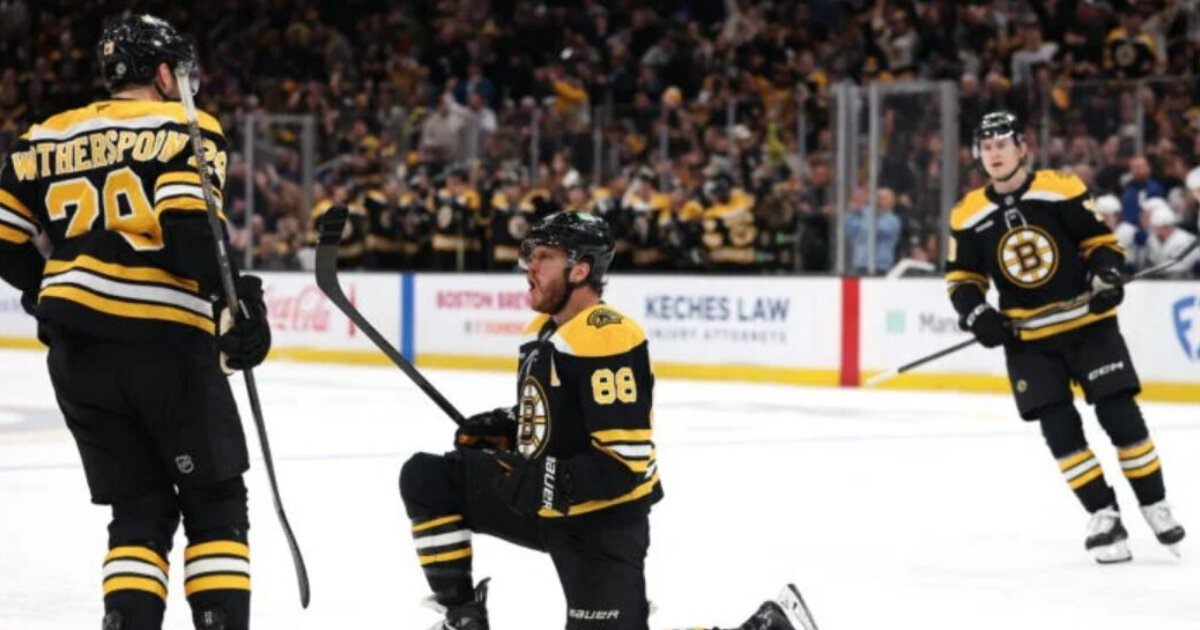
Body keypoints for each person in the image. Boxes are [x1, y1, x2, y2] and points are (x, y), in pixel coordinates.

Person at [398, 211, 814, 630]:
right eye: (530, 255)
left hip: (601, 524)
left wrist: (544, 481)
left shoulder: (607, 336)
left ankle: (770, 627)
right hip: (549, 505)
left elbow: (623, 464)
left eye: (544, 257)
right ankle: (463, 619)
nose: (529, 267)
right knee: (429, 479)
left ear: (580, 270)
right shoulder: (542, 331)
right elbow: (560, 420)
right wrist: (509, 428)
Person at [0, 14, 271, 629]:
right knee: (215, 502)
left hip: (77, 355)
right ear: (163, 73)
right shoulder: (181, 126)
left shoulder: (43, 136)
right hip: (164, 342)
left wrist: (50, 288)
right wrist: (237, 300)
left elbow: (5, 241)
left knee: (138, 510)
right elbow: (192, 236)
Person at [945, 111, 1185, 564]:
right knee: (1060, 432)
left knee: (1120, 416)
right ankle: (1103, 516)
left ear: (1022, 148)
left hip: (1088, 327)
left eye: (1003, 144)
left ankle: (1154, 503)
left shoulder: (1060, 188)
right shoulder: (967, 213)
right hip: (1029, 342)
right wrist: (978, 314)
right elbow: (962, 279)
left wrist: (1106, 276)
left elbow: (1101, 244)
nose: (995, 153)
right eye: (987, 146)